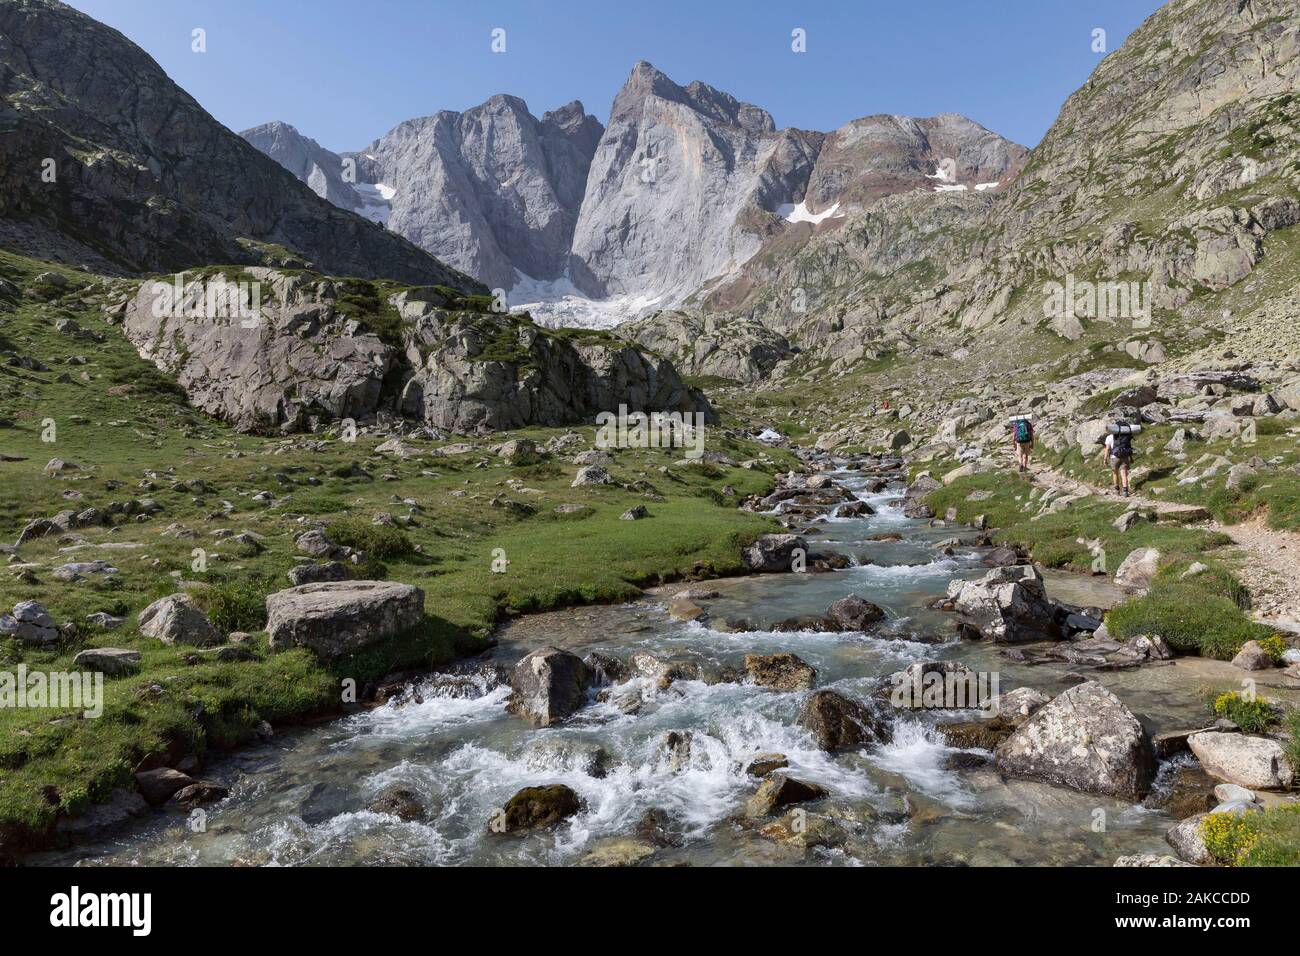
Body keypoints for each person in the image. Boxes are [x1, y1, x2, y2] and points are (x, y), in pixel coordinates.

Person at [1102, 420, 1136, 496]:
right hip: (1124, 456)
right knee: (1124, 474)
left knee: (1115, 473)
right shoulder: (1125, 435)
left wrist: (1105, 459)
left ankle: (1117, 490)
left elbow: (1107, 449)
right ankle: (1125, 491)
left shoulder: (1109, 437)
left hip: (1114, 457)